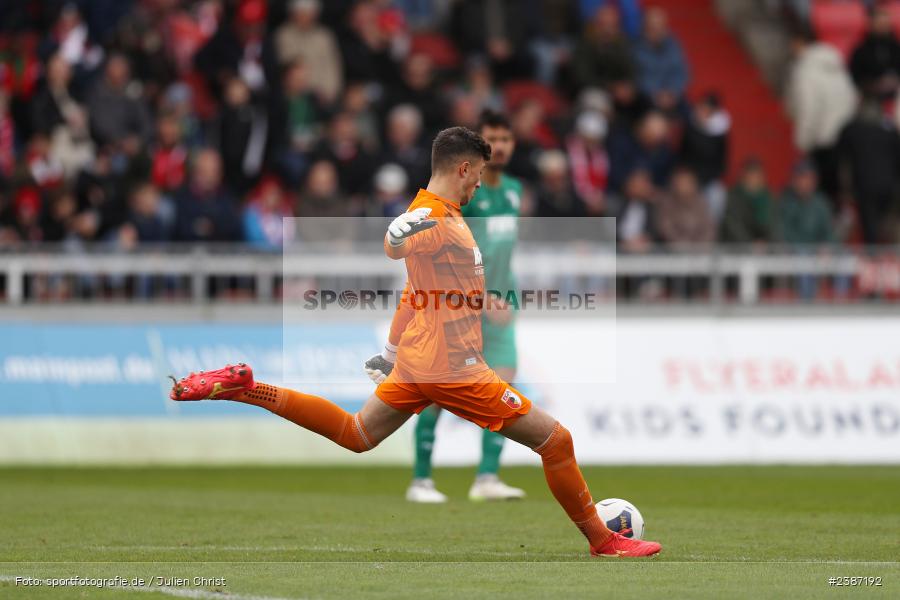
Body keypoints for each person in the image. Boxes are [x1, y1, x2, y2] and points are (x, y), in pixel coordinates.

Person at [168, 126, 662, 558]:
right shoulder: (433, 217)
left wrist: (390, 351)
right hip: (454, 367)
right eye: (476, 176)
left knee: (356, 433)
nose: (478, 186)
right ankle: (604, 540)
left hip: (418, 361)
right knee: (557, 441)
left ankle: (246, 388)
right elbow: (396, 245)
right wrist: (396, 232)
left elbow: (414, 289)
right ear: (464, 167)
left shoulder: (441, 212)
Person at [367, 110, 526, 503]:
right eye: (494, 138)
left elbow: (502, 254)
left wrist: (507, 294)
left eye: (506, 138)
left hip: (502, 308)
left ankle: (487, 477)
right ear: (467, 164)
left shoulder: (514, 191)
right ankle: (421, 479)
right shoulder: (463, 195)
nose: (501, 145)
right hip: (459, 307)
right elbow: (429, 253)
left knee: (503, 389)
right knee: (437, 393)